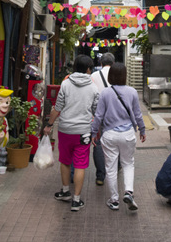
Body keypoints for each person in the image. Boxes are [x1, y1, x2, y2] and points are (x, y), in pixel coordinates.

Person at [43, 55, 98, 212]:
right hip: (84, 131)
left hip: (66, 129)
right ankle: (76, 200)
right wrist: (97, 130)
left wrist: (49, 125)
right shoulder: (93, 87)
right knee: (80, 164)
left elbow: (58, 107)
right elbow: (96, 111)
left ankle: (65, 191)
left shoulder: (66, 84)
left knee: (66, 161)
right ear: (88, 69)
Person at [91, 62, 146, 212]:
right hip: (127, 134)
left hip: (109, 135)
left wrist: (93, 132)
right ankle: (128, 192)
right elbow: (137, 114)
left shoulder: (105, 93)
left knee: (110, 167)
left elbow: (99, 116)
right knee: (128, 164)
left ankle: (114, 200)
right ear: (124, 75)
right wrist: (142, 129)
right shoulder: (132, 92)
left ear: (110, 76)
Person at [89, 52, 116, 186]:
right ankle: (115, 170)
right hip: (115, 114)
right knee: (115, 142)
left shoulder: (94, 76)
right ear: (113, 63)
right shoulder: (118, 75)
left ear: (100, 63)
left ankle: (100, 176)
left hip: (99, 113)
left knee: (98, 143)